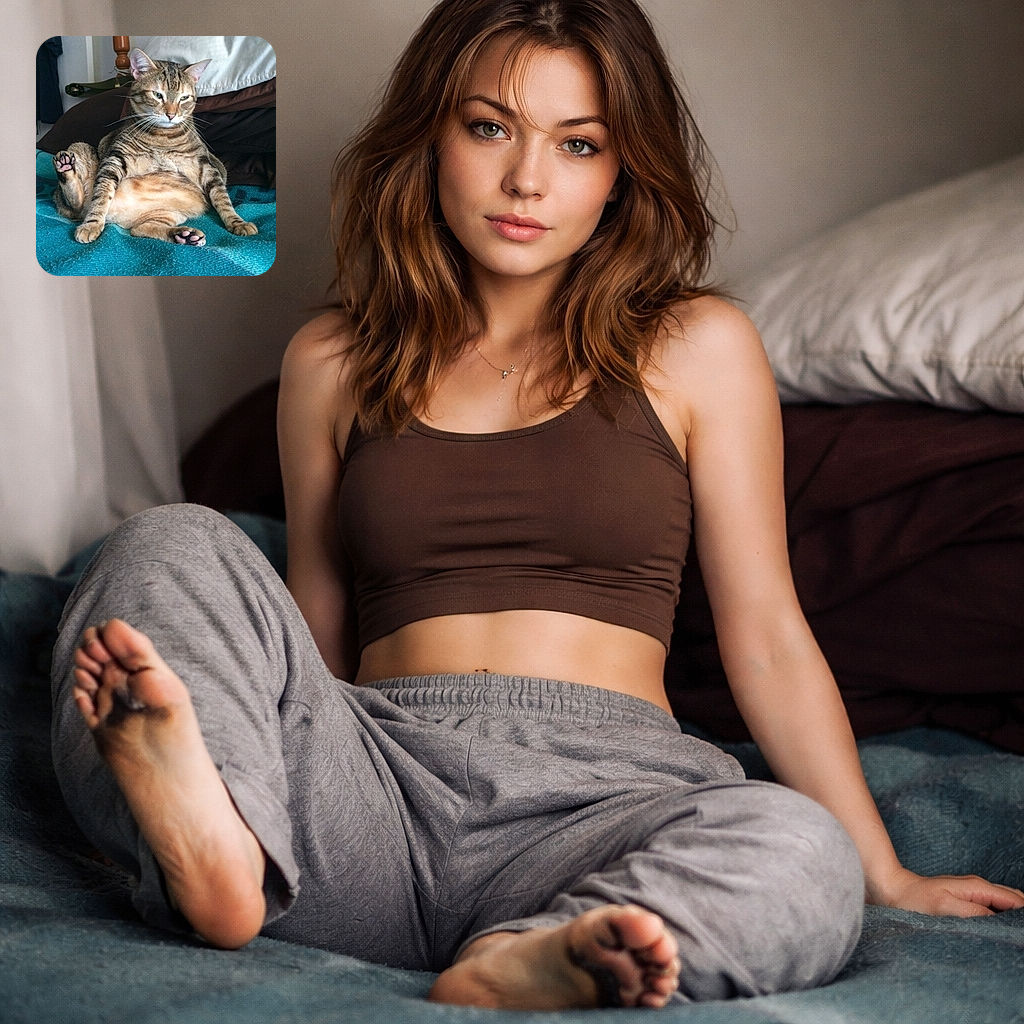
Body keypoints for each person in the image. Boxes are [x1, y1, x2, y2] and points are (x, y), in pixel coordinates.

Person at [51, 0, 1024, 1011]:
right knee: (165, 542)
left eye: (578, 143)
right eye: (489, 128)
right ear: (430, 137)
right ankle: (221, 848)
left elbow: (767, 634)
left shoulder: (697, 345)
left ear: (620, 172)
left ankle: (531, 959)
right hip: (372, 786)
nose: (527, 179)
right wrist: (246, 728)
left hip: (606, 805)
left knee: (797, 848)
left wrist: (885, 872)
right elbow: (313, 637)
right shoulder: (330, 361)